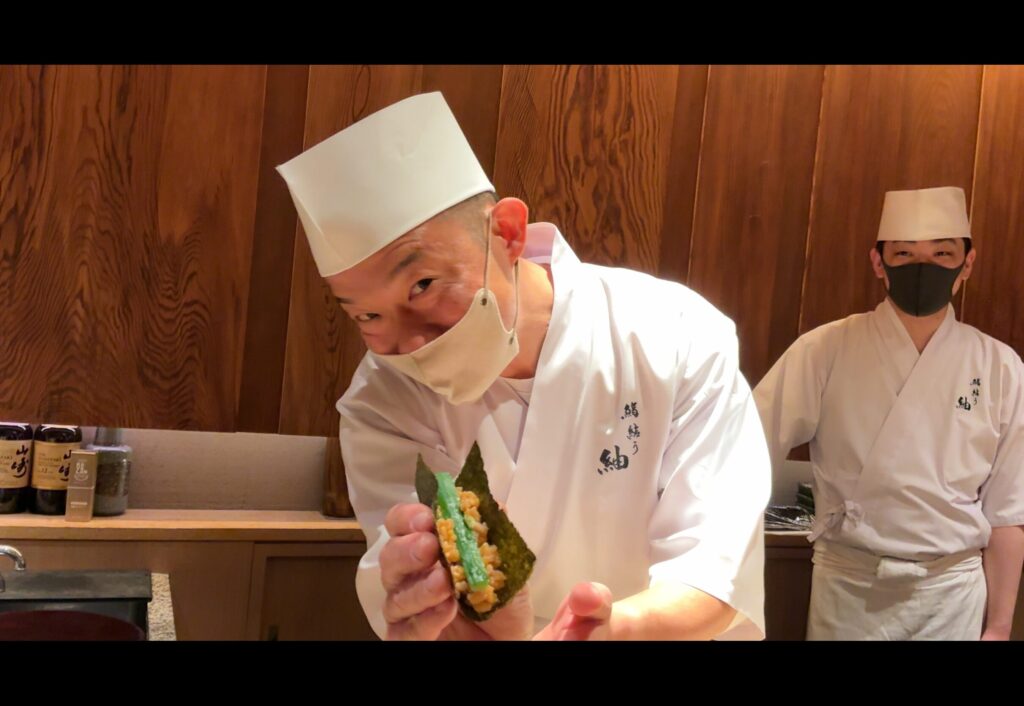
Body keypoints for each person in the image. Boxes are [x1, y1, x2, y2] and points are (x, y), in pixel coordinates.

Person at [277, 92, 771, 641]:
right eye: (368, 315)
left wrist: (605, 629)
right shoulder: (381, 400)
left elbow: (713, 569)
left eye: (423, 285)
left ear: (507, 233)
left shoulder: (672, 333)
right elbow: (417, 594)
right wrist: (424, 606)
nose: (409, 342)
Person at [754, 186, 1024, 640]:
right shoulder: (824, 350)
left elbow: (1008, 511)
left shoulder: (1000, 367)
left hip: (953, 593)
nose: (923, 267)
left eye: (942, 253)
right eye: (904, 254)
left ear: (967, 263)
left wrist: (999, 627)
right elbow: (743, 454)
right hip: (849, 587)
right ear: (879, 263)